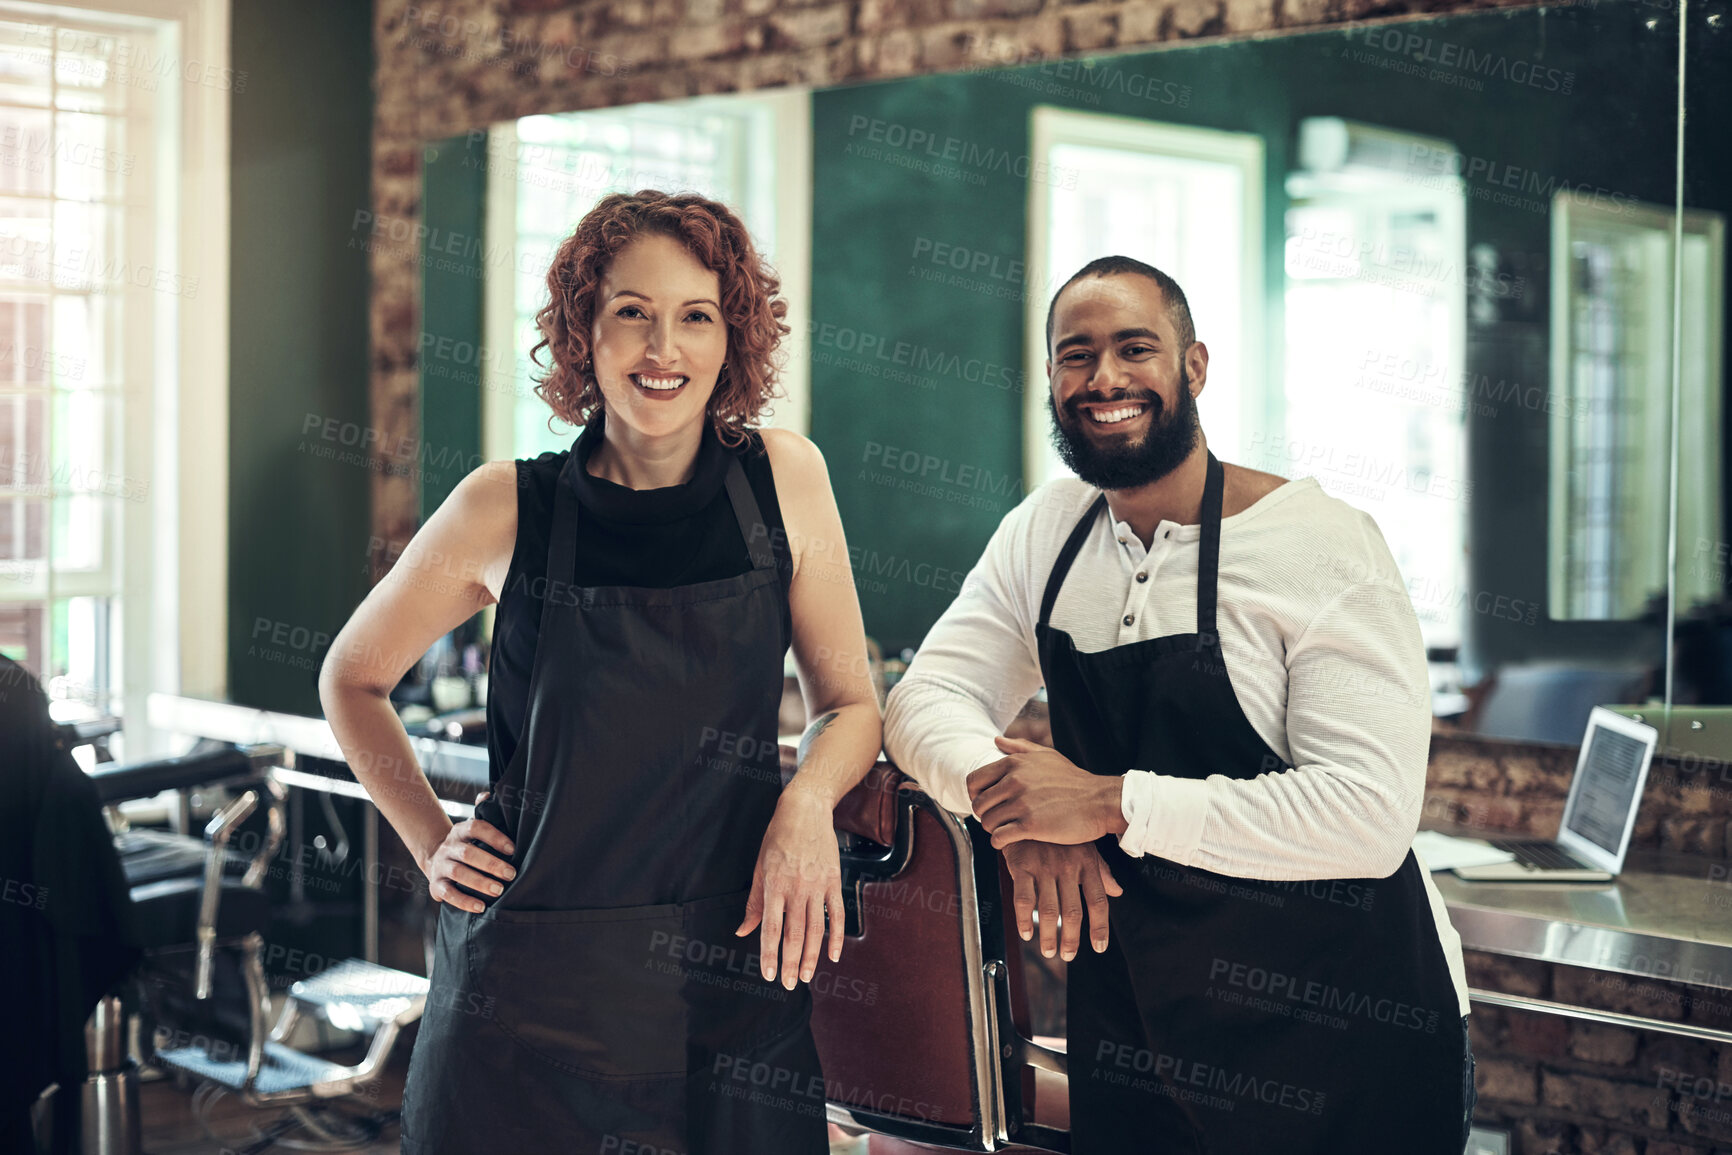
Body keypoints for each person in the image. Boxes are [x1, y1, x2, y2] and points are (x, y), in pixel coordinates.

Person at [319, 190, 882, 1153]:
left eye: (695, 316)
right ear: (584, 332)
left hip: (731, 976)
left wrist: (805, 805)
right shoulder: (505, 506)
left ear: (731, 336)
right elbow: (350, 678)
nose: (663, 348)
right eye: (632, 312)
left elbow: (850, 705)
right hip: (529, 996)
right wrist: (429, 839)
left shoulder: (783, 478)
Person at [884, 256, 1475, 1153]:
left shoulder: (1320, 545)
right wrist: (1020, 810)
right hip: (1137, 1022)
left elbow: (1368, 814)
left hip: (1344, 1029)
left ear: (1193, 367)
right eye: (1075, 355)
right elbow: (926, 695)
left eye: (1135, 348)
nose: (1105, 378)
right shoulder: (1048, 531)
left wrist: (1107, 800)